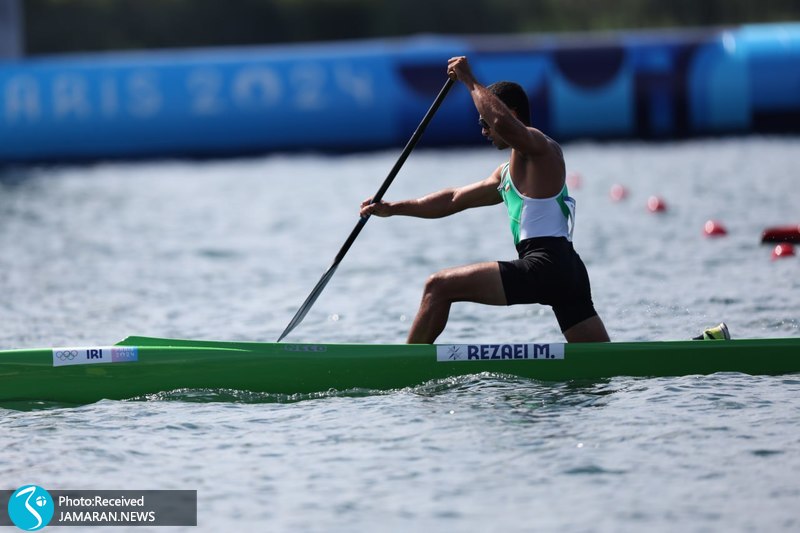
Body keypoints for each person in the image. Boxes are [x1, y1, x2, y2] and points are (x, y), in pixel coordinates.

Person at [360, 56, 610, 344]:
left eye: (484, 123)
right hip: (567, 271)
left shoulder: (539, 146)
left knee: (438, 287)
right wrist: (392, 209)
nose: (484, 131)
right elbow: (453, 200)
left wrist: (469, 80)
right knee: (601, 365)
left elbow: (502, 122)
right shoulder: (506, 174)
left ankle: (402, 369)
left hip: (545, 265)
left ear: (512, 114)